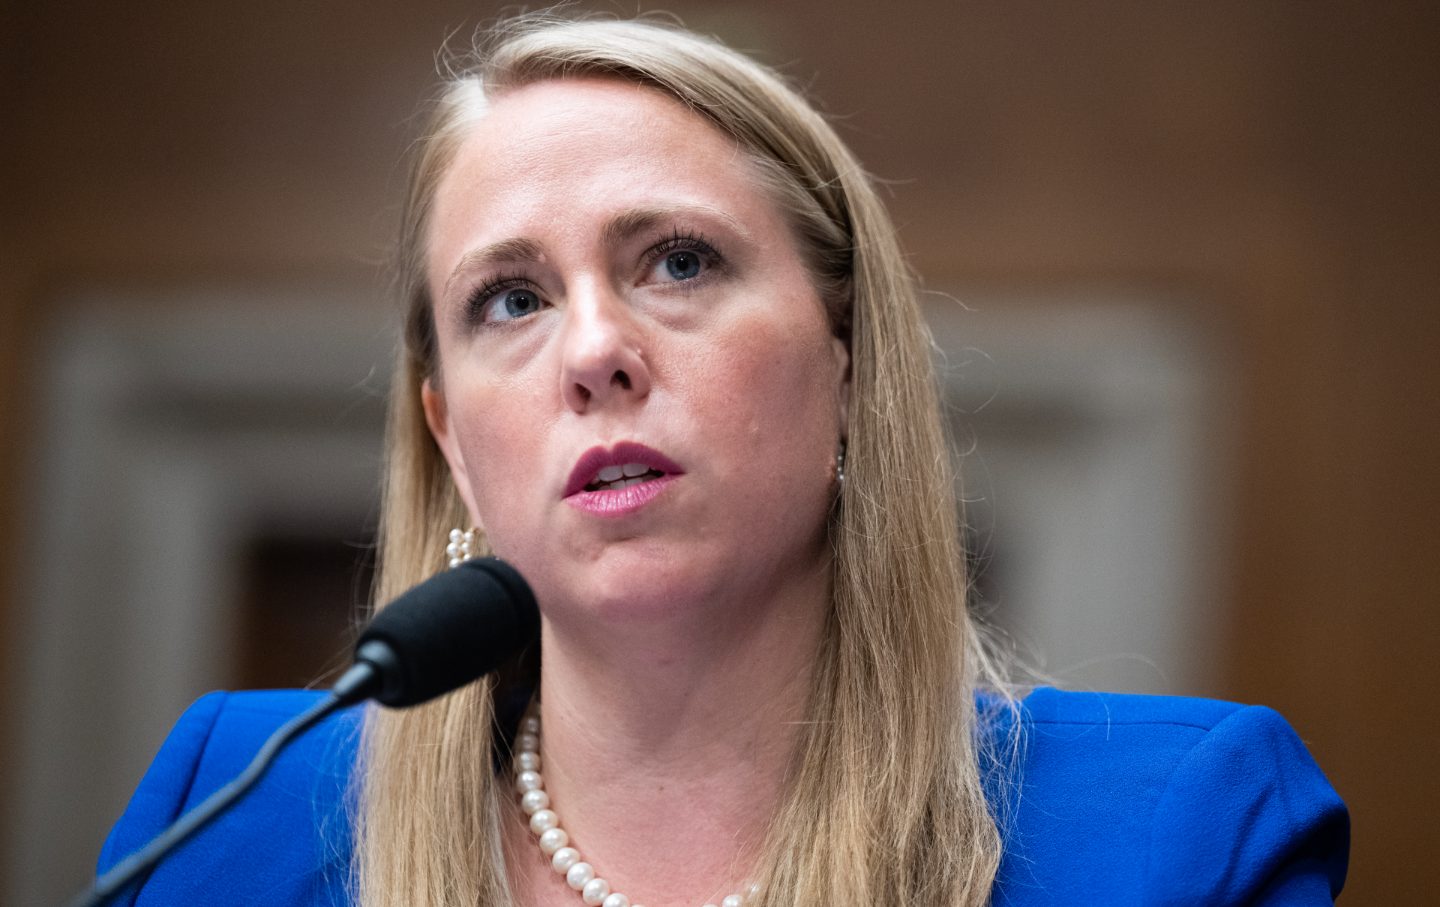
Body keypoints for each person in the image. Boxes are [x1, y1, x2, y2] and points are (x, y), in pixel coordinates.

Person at [97, 13, 1349, 907]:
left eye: (679, 261)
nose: (594, 348)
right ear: (453, 447)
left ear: (850, 366)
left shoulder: (1175, 836)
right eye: (511, 300)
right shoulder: (229, 820)